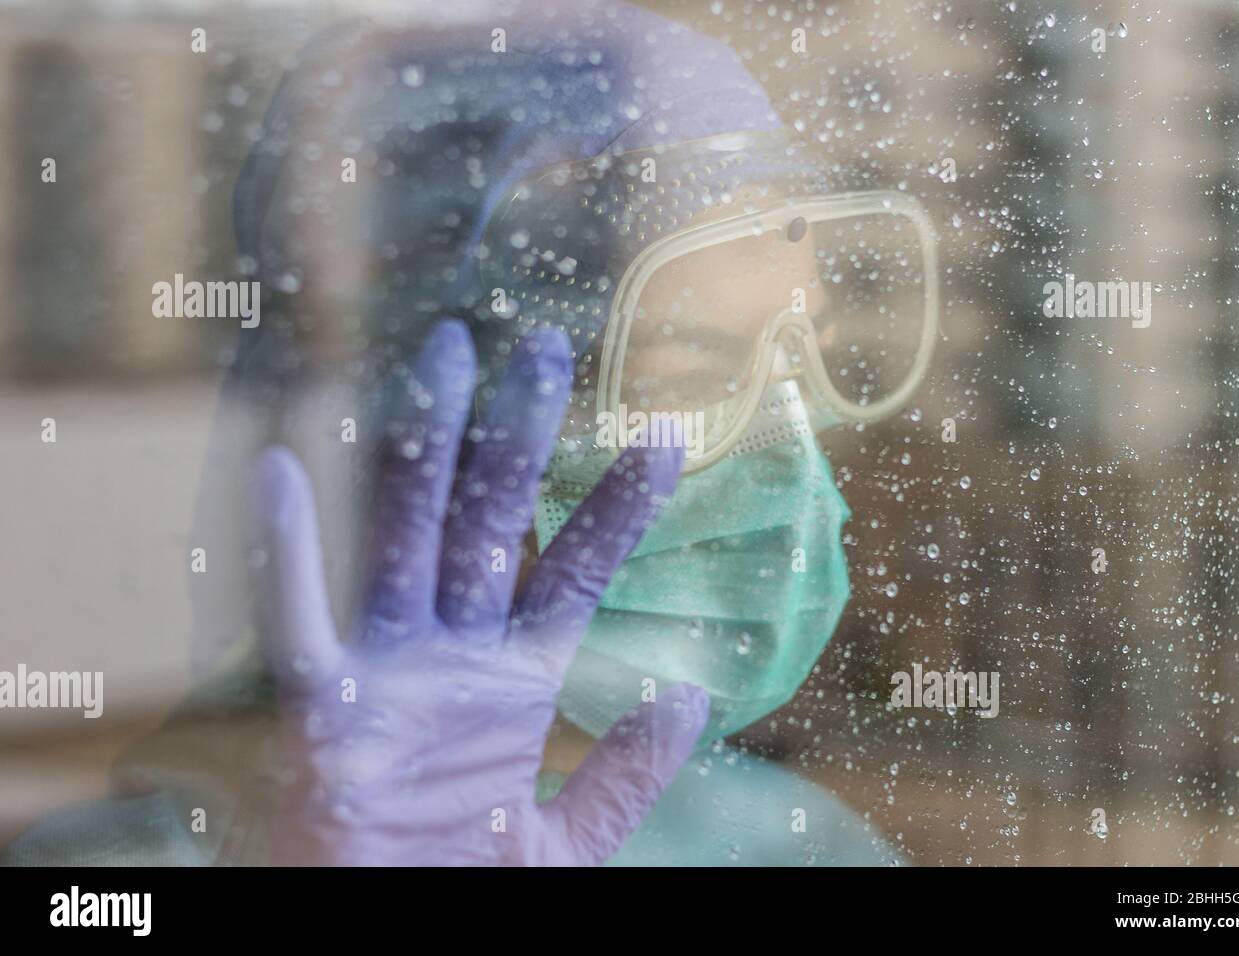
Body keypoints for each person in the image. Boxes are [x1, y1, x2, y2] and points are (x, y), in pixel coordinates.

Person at [2, 0, 934, 866]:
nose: (790, 459)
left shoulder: (793, 844)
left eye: (803, 358)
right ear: (430, 425)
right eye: (695, 378)